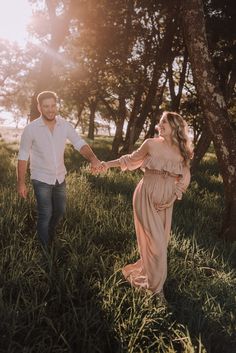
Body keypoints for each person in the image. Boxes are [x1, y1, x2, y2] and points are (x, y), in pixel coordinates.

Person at [102, 111, 193, 298]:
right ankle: (157, 292)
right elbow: (130, 159)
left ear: (175, 127)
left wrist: (172, 198)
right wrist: (106, 164)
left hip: (166, 200)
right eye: (159, 122)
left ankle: (147, 275)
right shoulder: (150, 144)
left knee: (158, 244)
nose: (159, 125)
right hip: (145, 195)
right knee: (158, 245)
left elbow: (185, 177)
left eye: (164, 123)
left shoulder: (182, 150)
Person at [17, 90, 104, 248]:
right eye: (46, 106)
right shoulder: (30, 129)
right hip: (40, 178)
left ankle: (48, 233)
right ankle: (45, 249)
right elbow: (23, 156)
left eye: (53, 105)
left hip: (60, 177)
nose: (50, 109)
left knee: (60, 211)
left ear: (56, 105)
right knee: (45, 213)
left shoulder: (64, 124)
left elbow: (79, 143)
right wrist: (21, 183)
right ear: (39, 107)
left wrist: (93, 158)